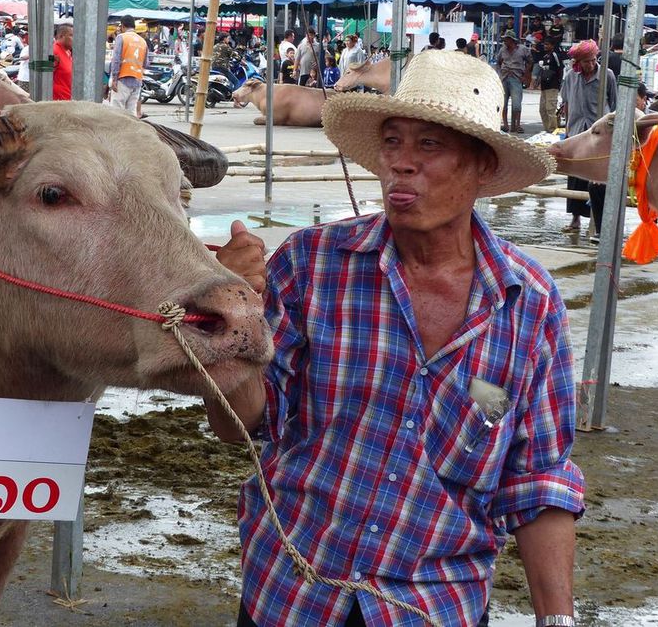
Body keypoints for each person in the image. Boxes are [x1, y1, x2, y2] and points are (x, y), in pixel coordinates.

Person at [211, 50, 584, 627]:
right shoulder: (312, 266)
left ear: (483, 166)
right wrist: (234, 322)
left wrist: (557, 620)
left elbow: (539, 478)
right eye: (392, 142)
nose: (401, 165)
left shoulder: (527, 305)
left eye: (429, 146)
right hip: (295, 594)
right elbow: (244, 425)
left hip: (433, 604)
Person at [558, 39, 617, 237]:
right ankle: (575, 218)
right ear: (578, 62)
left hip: (599, 134)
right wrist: (567, 128)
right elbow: (566, 102)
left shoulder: (607, 75)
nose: (590, 64)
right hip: (576, 129)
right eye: (586, 62)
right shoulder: (570, 77)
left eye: (592, 60)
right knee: (575, 174)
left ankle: (598, 221)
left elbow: (614, 104)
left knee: (597, 178)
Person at [109, 14, 147, 116]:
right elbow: (145, 63)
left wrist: (114, 79)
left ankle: (118, 132)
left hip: (123, 78)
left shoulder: (121, 37)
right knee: (131, 112)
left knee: (117, 112)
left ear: (123, 26)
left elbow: (116, 60)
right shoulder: (143, 41)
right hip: (137, 80)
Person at [495, 29, 533, 133]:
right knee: (504, 103)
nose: (505, 42)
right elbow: (498, 62)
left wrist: (526, 75)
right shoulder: (502, 50)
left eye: (506, 40)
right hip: (504, 77)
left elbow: (530, 61)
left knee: (517, 104)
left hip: (516, 78)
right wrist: (499, 74)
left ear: (512, 40)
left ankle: (517, 125)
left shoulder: (523, 49)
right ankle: (506, 125)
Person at [536, 38, 567, 132]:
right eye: (545, 44)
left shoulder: (555, 56)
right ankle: (547, 129)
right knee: (542, 109)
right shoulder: (545, 57)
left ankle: (553, 130)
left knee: (550, 109)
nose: (545, 46)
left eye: (547, 44)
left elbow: (560, 69)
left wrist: (559, 83)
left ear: (552, 46)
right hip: (544, 86)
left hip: (552, 86)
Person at [53, 22, 74, 101]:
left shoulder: (68, 51)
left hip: (67, 99)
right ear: (61, 36)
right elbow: (45, 78)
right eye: (71, 35)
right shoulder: (54, 52)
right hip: (58, 102)